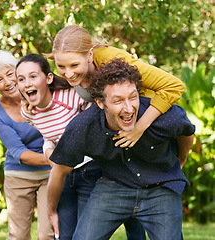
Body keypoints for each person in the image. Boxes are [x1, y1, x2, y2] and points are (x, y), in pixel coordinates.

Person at [47, 58, 195, 240]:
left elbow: (187, 131)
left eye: (133, 97)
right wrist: (51, 210)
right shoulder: (84, 126)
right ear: (100, 103)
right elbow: (59, 170)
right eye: (117, 100)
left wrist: (182, 158)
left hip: (161, 187)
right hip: (114, 186)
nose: (128, 108)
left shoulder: (164, 117)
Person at [49, 24, 186, 148]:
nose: (68, 73)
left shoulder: (112, 60)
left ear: (89, 55)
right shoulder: (69, 69)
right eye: (61, 66)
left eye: (74, 65)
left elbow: (174, 86)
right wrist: (28, 99)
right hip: (115, 124)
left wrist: (139, 127)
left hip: (144, 115)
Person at [16, 53, 102, 240]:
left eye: (33, 76)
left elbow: (96, 121)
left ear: (48, 78)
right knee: (62, 235)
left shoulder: (71, 97)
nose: (27, 83)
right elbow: (50, 136)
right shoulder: (29, 112)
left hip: (90, 170)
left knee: (87, 235)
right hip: (62, 177)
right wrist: (48, 150)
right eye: (21, 79)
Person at [0, 50, 54, 240]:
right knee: (18, 235)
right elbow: (18, 152)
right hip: (19, 175)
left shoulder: (41, 92)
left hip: (50, 174)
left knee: (47, 234)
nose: (7, 82)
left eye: (10, 73)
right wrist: (55, 159)